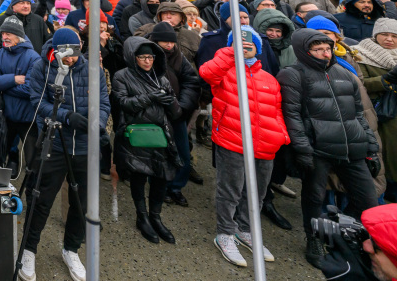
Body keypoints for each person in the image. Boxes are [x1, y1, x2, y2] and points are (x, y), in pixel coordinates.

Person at [280, 27, 381, 268]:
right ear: (304, 52)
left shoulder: (344, 74)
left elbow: (358, 114)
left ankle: (351, 235)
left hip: (352, 148)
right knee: (314, 198)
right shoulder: (292, 74)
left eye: (327, 48)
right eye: (318, 49)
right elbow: (291, 115)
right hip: (319, 149)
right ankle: (314, 239)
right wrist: (303, 150)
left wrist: (371, 147)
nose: (325, 53)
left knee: (369, 200)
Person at [19, 28, 108, 281]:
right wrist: (67, 116)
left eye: (76, 53)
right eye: (67, 55)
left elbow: (103, 102)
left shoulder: (94, 70)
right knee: (41, 200)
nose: (73, 59)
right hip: (54, 144)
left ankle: (71, 249)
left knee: (81, 204)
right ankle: (29, 248)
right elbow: (37, 102)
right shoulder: (41, 68)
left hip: (84, 147)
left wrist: (96, 124)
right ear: (57, 51)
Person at [199, 24, 288, 266]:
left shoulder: (269, 78)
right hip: (232, 140)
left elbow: (277, 111)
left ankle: (246, 231)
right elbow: (206, 73)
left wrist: (281, 135)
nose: (246, 48)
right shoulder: (224, 72)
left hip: (266, 146)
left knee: (257, 193)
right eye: (242, 44)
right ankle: (225, 233)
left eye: (251, 45)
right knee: (230, 191)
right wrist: (231, 51)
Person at [111, 37, 181, 245]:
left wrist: (171, 103)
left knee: (161, 175)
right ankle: (141, 217)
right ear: (133, 57)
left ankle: (155, 217)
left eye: (150, 56)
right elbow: (123, 103)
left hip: (161, 135)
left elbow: (176, 113)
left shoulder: (162, 78)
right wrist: (151, 97)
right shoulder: (121, 76)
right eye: (142, 57)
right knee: (139, 175)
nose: (147, 61)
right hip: (137, 134)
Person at [145, 22, 201, 208]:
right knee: (158, 153)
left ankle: (176, 187)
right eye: (164, 42)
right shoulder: (146, 56)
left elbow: (191, 82)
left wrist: (182, 107)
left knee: (182, 153)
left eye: (171, 42)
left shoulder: (180, 58)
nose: (169, 46)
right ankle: (159, 187)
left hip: (177, 114)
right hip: (155, 115)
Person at [0, 17, 42, 175]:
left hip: (28, 120)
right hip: (6, 117)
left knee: (33, 165)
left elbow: (30, 88)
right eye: (3, 33)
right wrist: (13, 79)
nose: (4, 37)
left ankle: (31, 196)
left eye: (8, 34)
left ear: (19, 36)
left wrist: (3, 87)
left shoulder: (33, 58)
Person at [357, 19, 397, 202]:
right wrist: (386, 79)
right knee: (386, 154)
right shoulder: (361, 54)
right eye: (384, 35)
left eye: (394, 36)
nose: (389, 39)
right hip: (380, 113)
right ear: (375, 36)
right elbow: (360, 83)